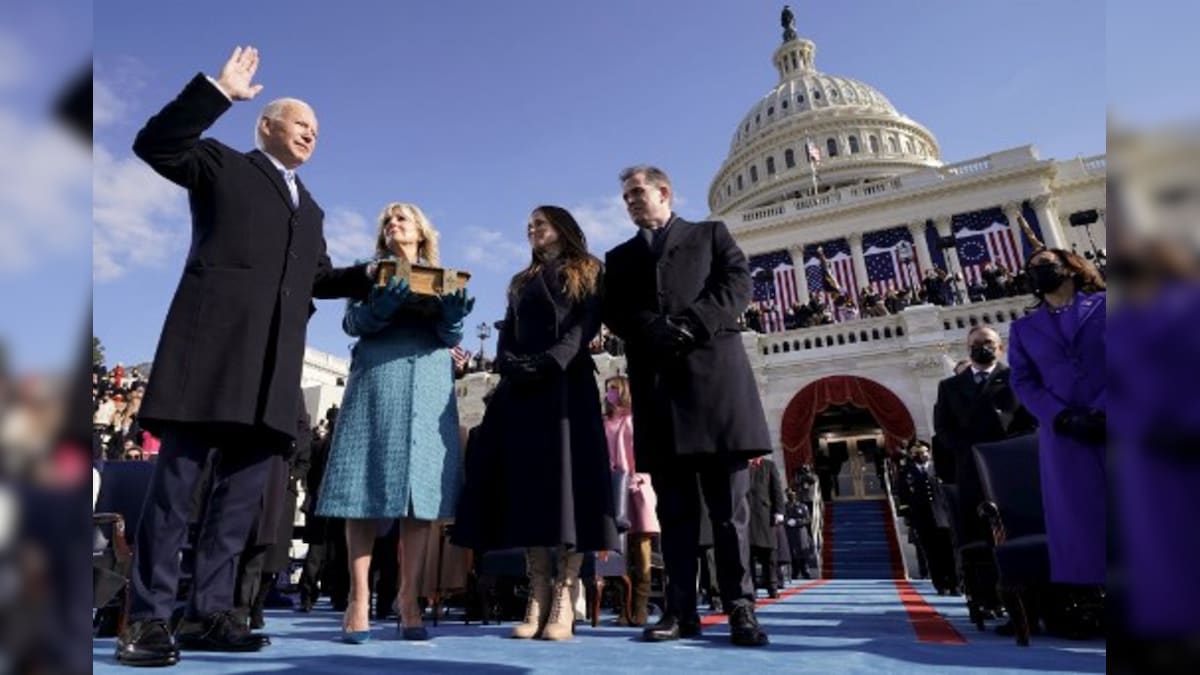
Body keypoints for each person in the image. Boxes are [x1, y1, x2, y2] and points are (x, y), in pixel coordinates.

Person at [117, 46, 374, 668]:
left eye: (317, 127)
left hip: (271, 375)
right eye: (299, 122)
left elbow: (315, 277)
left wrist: (369, 274)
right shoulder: (219, 164)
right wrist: (217, 92)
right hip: (209, 358)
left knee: (237, 507)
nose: (312, 131)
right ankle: (147, 618)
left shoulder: (310, 208)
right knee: (176, 495)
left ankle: (210, 613)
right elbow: (155, 144)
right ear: (266, 125)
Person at [603, 165, 771, 647]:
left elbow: (737, 285)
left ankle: (741, 608)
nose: (632, 201)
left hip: (716, 389)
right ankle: (679, 610)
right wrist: (652, 328)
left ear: (664, 192)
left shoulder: (710, 234)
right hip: (659, 395)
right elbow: (615, 309)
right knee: (674, 515)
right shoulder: (620, 257)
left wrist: (693, 323)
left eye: (639, 192)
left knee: (728, 513)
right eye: (626, 196)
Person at [453, 206, 620, 642]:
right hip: (523, 390)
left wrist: (553, 360)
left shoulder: (588, 268)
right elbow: (507, 328)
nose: (531, 231)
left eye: (539, 224)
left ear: (561, 229)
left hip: (566, 386)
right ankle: (537, 589)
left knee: (566, 486)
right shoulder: (520, 281)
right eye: (528, 226)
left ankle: (565, 591)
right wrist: (510, 362)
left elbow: (587, 323)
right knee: (528, 488)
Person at [315, 201, 472, 642]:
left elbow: (450, 336)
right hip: (378, 378)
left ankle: (409, 599)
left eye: (402, 218)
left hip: (427, 381)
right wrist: (378, 309)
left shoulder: (443, 277)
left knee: (420, 496)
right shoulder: (368, 273)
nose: (393, 223)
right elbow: (351, 323)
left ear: (421, 231)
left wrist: (454, 317)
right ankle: (359, 598)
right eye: (387, 219)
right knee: (362, 488)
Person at [1008, 248, 1106, 587]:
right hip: (1065, 434)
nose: (1037, 272)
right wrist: (1060, 416)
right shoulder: (1023, 328)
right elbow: (1022, 381)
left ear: (1070, 268)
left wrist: (1105, 410)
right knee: (1083, 519)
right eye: (1031, 269)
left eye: (1045, 265)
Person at [933, 325, 1037, 544]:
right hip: (971, 468)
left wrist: (1007, 448)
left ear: (1000, 348)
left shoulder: (1016, 378)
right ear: (968, 349)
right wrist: (967, 449)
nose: (982, 348)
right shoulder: (949, 386)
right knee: (979, 534)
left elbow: (1031, 420)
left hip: (1011, 466)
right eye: (976, 344)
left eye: (988, 343)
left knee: (1019, 530)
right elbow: (943, 428)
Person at [603, 375, 660, 626]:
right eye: (607, 391)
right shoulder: (604, 422)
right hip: (614, 491)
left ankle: (640, 607)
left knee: (642, 550)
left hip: (637, 488)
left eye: (614, 390)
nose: (610, 395)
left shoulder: (634, 421)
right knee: (619, 554)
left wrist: (638, 478)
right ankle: (623, 609)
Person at [897, 442, 957, 595]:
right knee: (932, 553)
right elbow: (903, 497)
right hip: (922, 518)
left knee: (949, 551)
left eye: (924, 452)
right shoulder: (905, 472)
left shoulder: (938, 468)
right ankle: (940, 585)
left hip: (942, 516)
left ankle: (954, 583)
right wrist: (909, 518)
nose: (922, 455)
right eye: (917, 453)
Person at [748, 457, 785, 599]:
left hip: (765, 516)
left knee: (769, 555)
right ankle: (751, 589)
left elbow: (776, 490)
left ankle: (772, 586)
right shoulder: (742, 466)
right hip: (746, 518)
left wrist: (779, 511)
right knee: (747, 556)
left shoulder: (769, 465)